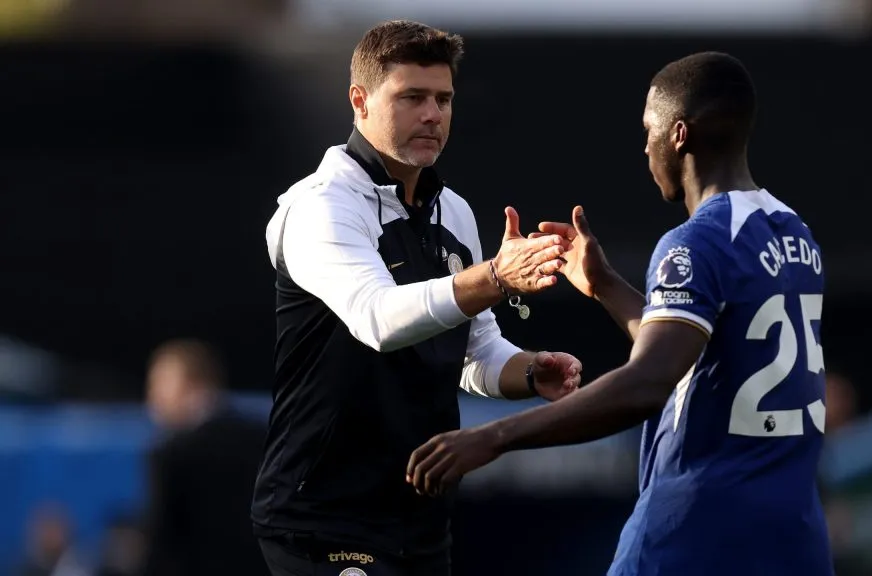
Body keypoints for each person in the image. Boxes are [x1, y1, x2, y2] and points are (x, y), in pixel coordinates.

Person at [407, 52, 834, 575]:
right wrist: (606, 285)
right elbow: (698, 358)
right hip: (793, 543)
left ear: (678, 135)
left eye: (648, 130)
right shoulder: (794, 234)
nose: (645, 146)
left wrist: (493, 437)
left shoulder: (694, 243)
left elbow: (648, 382)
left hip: (696, 537)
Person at [252, 19, 583, 576]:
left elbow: (473, 355)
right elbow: (378, 319)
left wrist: (528, 371)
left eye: (443, 99)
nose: (433, 114)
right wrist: (495, 277)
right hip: (322, 518)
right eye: (412, 97)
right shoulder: (320, 205)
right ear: (360, 101)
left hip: (419, 519)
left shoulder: (452, 211)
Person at [143, 339, 269, 576]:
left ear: (191, 382)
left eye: (159, 383)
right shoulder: (263, 437)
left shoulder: (172, 453)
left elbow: (162, 542)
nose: (152, 397)